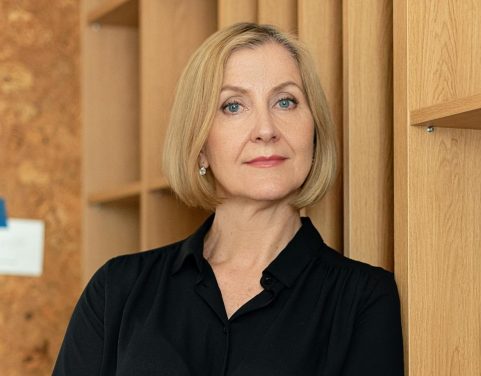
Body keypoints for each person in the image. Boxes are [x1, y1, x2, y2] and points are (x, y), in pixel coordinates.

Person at [54, 23, 404, 375]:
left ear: (313, 131)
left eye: (286, 101)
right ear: (200, 144)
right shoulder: (118, 289)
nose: (266, 130)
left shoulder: (363, 299)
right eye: (233, 106)